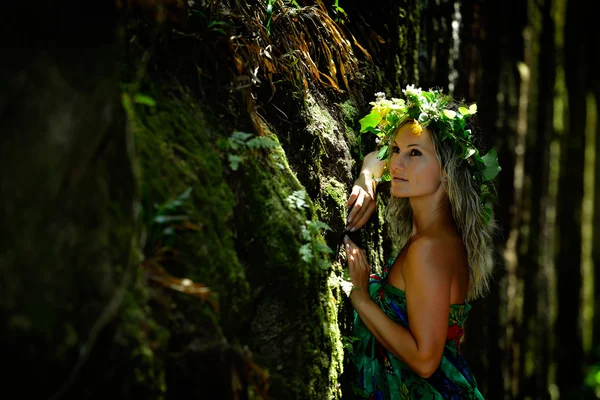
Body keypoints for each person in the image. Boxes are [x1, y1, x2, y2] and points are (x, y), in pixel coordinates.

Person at [344, 86, 500, 399]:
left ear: (447, 172)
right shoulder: (439, 235)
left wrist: (361, 298)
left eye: (415, 153)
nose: (398, 164)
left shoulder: (430, 248)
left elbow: (425, 361)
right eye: (397, 150)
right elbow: (379, 157)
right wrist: (368, 178)